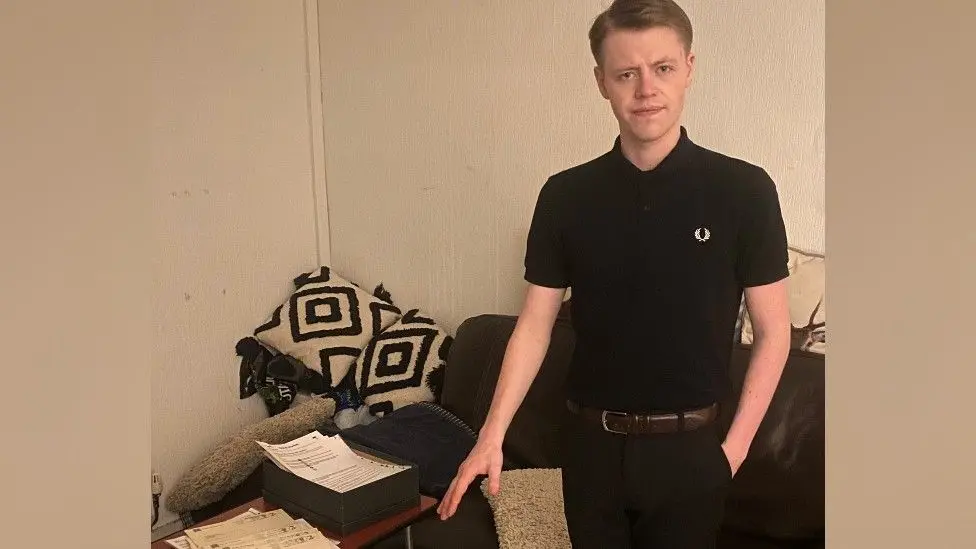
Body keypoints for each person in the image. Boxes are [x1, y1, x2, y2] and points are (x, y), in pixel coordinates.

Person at [437, 0, 792, 546]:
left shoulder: (744, 191)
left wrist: (733, 451)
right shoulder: (565, 196)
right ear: (602, 82)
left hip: (691, 453)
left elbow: (773, 332)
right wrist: (492, 435)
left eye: (663, 68)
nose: (645, 89)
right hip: (588, 450)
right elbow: (534, 324)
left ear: (689, 69)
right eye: (626, 73)